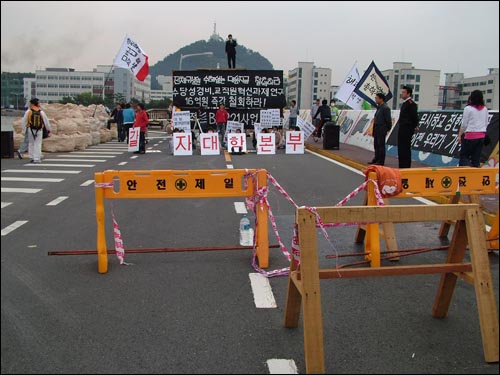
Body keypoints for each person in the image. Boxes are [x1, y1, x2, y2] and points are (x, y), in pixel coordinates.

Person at [458, 89, 489, 167]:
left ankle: (466, 172)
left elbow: (464, 124)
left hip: (470, 136)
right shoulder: (485, 109)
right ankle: (475, 175)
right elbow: (486, 123)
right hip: (481, 136)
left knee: (464, 156)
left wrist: (461, 135)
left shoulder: (468, 109)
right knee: (476, 158)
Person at [21, 98, 51, 163]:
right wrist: (49, 129)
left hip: (30, 129)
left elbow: (24, 122)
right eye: (39, 102)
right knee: (38, 143)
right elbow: (46, 122)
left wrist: (23, 130)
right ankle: (37, 158)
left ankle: (32, 157)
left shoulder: (28, 112)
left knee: (31, 143)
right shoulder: (41, 112)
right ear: (36, 104)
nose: (39, 104)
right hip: (39, 130)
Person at [397, 86, 419, 168]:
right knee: (401, 148)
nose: (402, 94)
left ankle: (405, 166)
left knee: (405, 148)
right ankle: (401, 165)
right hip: (402, 128)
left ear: (408, 94)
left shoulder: (411, 104)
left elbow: (414, 117)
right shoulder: (404, 103)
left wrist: (413, 126)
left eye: (403, 92)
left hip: (407, 129)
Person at [369, 93, 392, 166]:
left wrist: (387, 128)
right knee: (376, 144)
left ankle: (381, 160)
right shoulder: (379, 107)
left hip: (382, 128)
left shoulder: (385, 108)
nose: (375, 99)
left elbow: (388, 120)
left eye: (377, 98)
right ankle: (376, 158)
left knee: (381, 145)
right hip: (377, 128)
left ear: (381, 99)